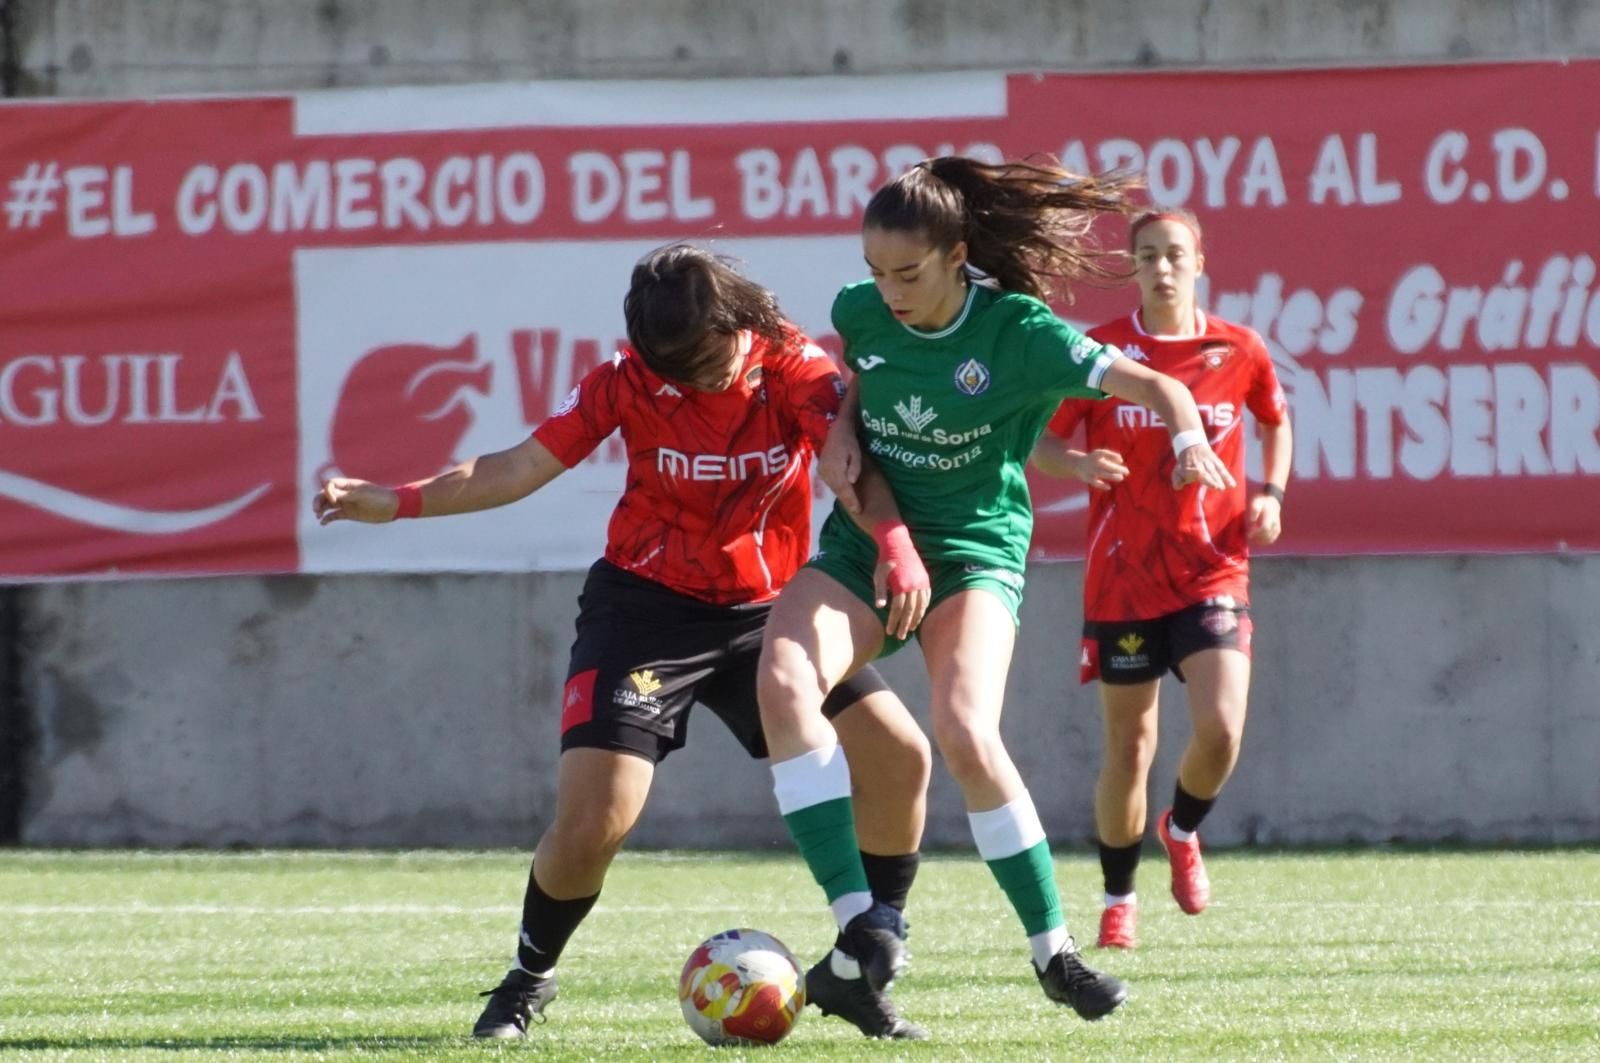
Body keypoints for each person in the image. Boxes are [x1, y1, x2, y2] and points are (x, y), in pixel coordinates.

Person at [313, 244, 933, 1041]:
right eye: (670, 371)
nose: (687, 385)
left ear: (736, 324)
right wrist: (394, 501)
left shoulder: (795, 369)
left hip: (767, 612)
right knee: (596, 818)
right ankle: (527, 978)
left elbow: (853, 464)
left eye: (702, 368)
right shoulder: (627, 379)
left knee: (898, 753)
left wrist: (893, 541)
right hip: (644, 612)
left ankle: (860, 962)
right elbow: (517, 465)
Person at [755, 157, 1235, 1022]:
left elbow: (1158, 384)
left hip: (975, 551)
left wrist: (1191, 435)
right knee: (784, 678)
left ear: (957, 254)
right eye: (876, 272)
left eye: (908, 272)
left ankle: (1055, 954)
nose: (888, 291)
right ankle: (858, 926)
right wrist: (840, 429)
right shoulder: (859, 312)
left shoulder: (1020, 333)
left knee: (966, 730)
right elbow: (863, 379)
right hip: (867, 544)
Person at [1031, 206, 1292, 950]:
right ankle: (1119, 895)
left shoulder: (1237, 348)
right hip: (1123, 579)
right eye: (1148, 255)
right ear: (1135, 266)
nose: (1163, 267)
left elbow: (1275, 420)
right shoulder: (1104, 353)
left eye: (1175, 253)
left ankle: (1181, 827)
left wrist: (1270, 490)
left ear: (1199, 261)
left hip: (1214, 567)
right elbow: (1042, 444)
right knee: (1131, 745)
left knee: (1220, 726)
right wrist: (1077, 464)